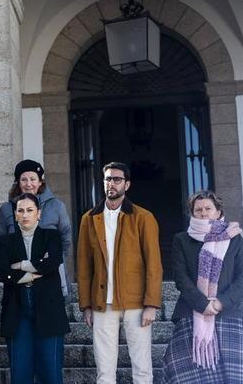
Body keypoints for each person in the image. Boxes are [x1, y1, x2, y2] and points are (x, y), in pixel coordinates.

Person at [76, 162, 162, 384]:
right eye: (107, 179)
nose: (111, 183)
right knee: (104, 371)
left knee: (142, 368)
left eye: (116, 179)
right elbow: (84, 266)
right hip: (102, 303)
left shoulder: (143, 217)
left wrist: (151, 304)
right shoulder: (88, 219)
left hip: (137, 303)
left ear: (127, 184)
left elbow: (154, 263)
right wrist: (86, 305)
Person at [162, 190, 243, 383]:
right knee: (182, 372)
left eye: (208, 208)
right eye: (198, 210)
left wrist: (220, 303)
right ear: (192, 214)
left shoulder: (235, 238)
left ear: (218, 212)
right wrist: (203, 304)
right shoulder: (182, 240)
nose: (203, 213)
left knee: (234, 378)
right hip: (191, 312)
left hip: (230, 313)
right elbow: (181, 278)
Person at [0, 193, 69, 384]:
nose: (25, 214)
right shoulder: (6, 241)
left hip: (49, 309)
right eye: (21, 210)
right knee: (20, 373)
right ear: (15, 214)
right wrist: (35, 271)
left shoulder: (51, 236)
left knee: (51, 372)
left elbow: (52, 262)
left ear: (39, 213)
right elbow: (3, 273)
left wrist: (20, 264)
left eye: (30, 210)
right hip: (17, 310)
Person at [0, 159, 73, 296]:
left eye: (33, 179)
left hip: (50, 275)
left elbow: (65, 239)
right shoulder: (7, 209)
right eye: (24, 180)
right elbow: (2, 238)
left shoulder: (56, 206)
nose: (29, 184)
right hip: (19, 280)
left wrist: (50, 260)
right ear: (18, 183)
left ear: (40, 181)